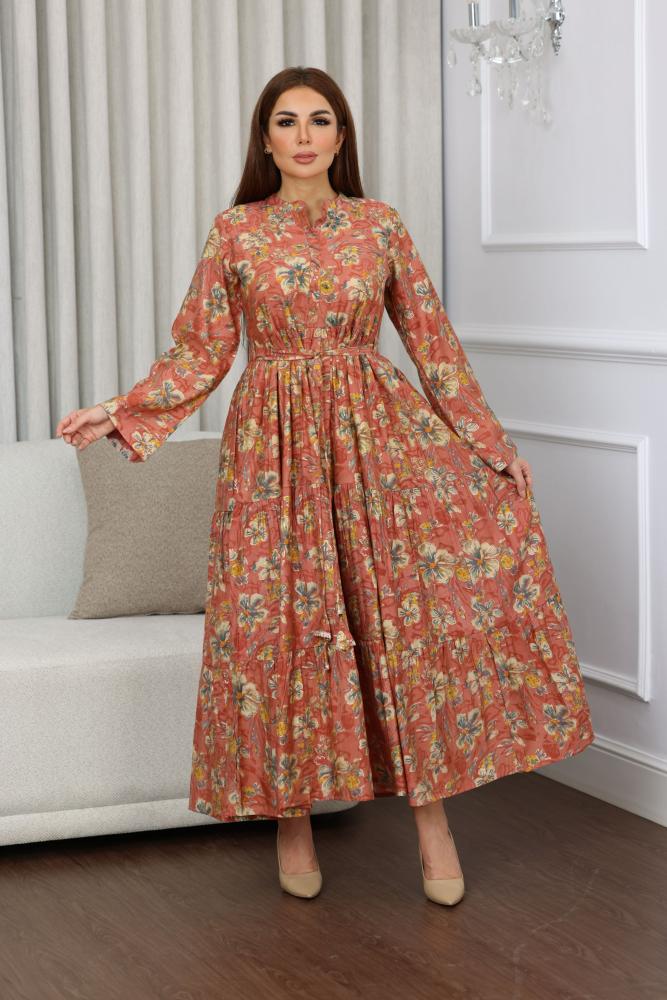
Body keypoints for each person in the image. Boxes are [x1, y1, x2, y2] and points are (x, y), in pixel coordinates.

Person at [56, 66, 595, 904]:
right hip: (270, 450)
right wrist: (118, 410)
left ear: (341, 137)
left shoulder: (379, 226)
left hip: (373, 440)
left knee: (396, 621)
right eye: (286, 121)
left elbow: (432, 343)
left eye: (319, 120)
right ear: (265, 139)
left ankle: (431, 820)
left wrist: (489, 445)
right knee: (278, 625)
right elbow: (200, 351)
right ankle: (292, 817)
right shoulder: (236, 231)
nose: (303, 135)